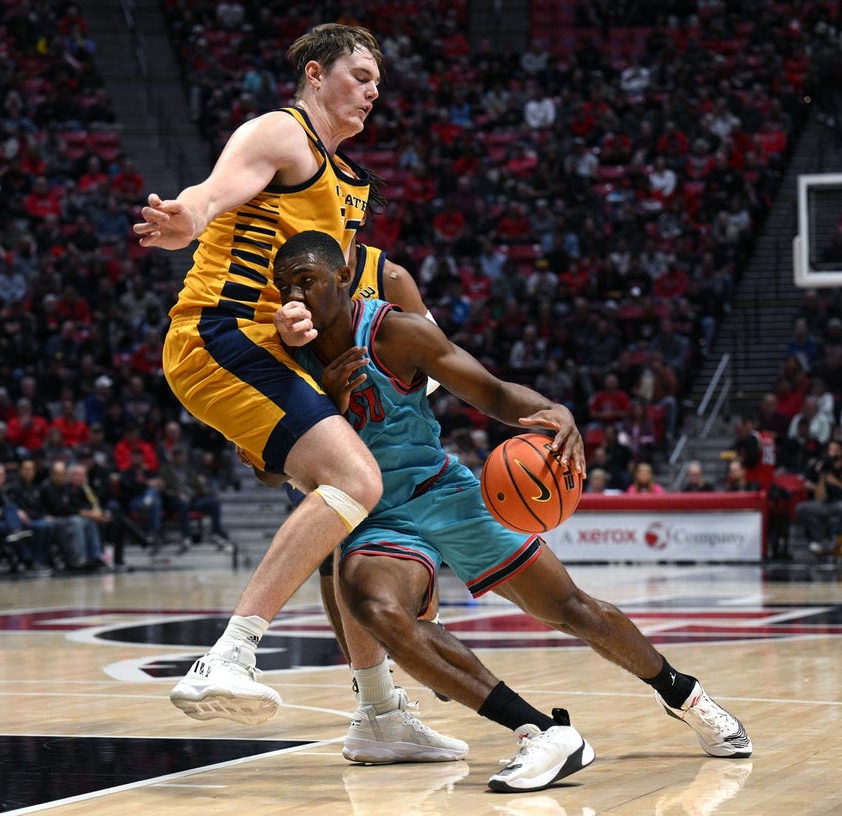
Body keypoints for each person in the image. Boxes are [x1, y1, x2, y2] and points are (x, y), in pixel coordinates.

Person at [272, 230, 751, 791]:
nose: (295, 296)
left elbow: (494, 395)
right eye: (285, 286)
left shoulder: (397, 333)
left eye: (306, 280)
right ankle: (540, 732)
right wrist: (324, 405)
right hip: (373, 516)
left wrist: (554, 409)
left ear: (344, 277)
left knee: (573, 609)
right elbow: (263, 464)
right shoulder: (284, 361)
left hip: (440, 491)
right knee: (378, 610)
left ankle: (684, 694)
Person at [133, 25, 447, 758]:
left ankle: (380, 717)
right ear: (316, 73)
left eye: (379, 82)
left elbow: (309, 293)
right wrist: (187, 217)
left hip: (274, 354)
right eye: (362, 75)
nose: (374, 91)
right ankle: (229, 655)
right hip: (218, 336)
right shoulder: (282, 133)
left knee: (355, 522)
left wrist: (306, 325)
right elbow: (214, 193)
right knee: (354, 478)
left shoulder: (347, 187)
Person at [795, 440, 842, 556]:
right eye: (831, 450)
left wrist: (837, 483)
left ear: (841, 451)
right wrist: (822, 478)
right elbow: (820, 498)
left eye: (836, 450)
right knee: (802, 508)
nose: (834, 453)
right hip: (828, 505)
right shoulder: (824, 468)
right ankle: (819, 540)